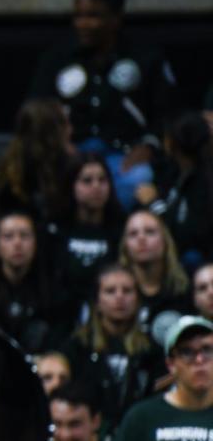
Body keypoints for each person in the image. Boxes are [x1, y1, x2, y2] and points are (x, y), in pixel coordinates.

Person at [29, 0, 175, 209]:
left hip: (124, 154)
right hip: (71, 154)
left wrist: (148, 145)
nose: (82, 24)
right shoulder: (57, 58)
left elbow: (166, 114)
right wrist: (59, 145)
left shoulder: (144, 58)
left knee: (139, 179)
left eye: (93, 16)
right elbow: (36, 110)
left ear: (115, 19)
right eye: (78, 16)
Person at [61, 263, 165, 428]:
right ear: (97, 301)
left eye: (127, 291)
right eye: (110, 291)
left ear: (138, 299)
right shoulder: (77, 347)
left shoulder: (152, 351)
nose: (119, 297)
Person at [0, 211, 67, 353]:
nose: (17, 243)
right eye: (8, 236)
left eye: (24, 236)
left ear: (35, 243)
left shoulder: (53, 295)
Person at [49, 152, 126, 324]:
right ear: (72, 185)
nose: (96, 186)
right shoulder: (54, 230)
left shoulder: (121, 229)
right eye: (87, 181)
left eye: (102, 180)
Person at [140, 110, 213, 270]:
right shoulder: (173, 172)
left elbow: (191, 235)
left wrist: (153, 204)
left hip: (195, 259)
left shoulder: (203, 184)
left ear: (173, 143)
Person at [0, 98, 74, 225]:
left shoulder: (71, 166)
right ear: (50, 132)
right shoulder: (10, 178)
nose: (70, 130)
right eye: (64, 124)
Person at [118, 209, 191, 338]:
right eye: (133, 234)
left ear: (165, 241)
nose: (141, 238)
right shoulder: (116, 291)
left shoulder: (187, 288)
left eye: (150, 232)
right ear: (125, 245)